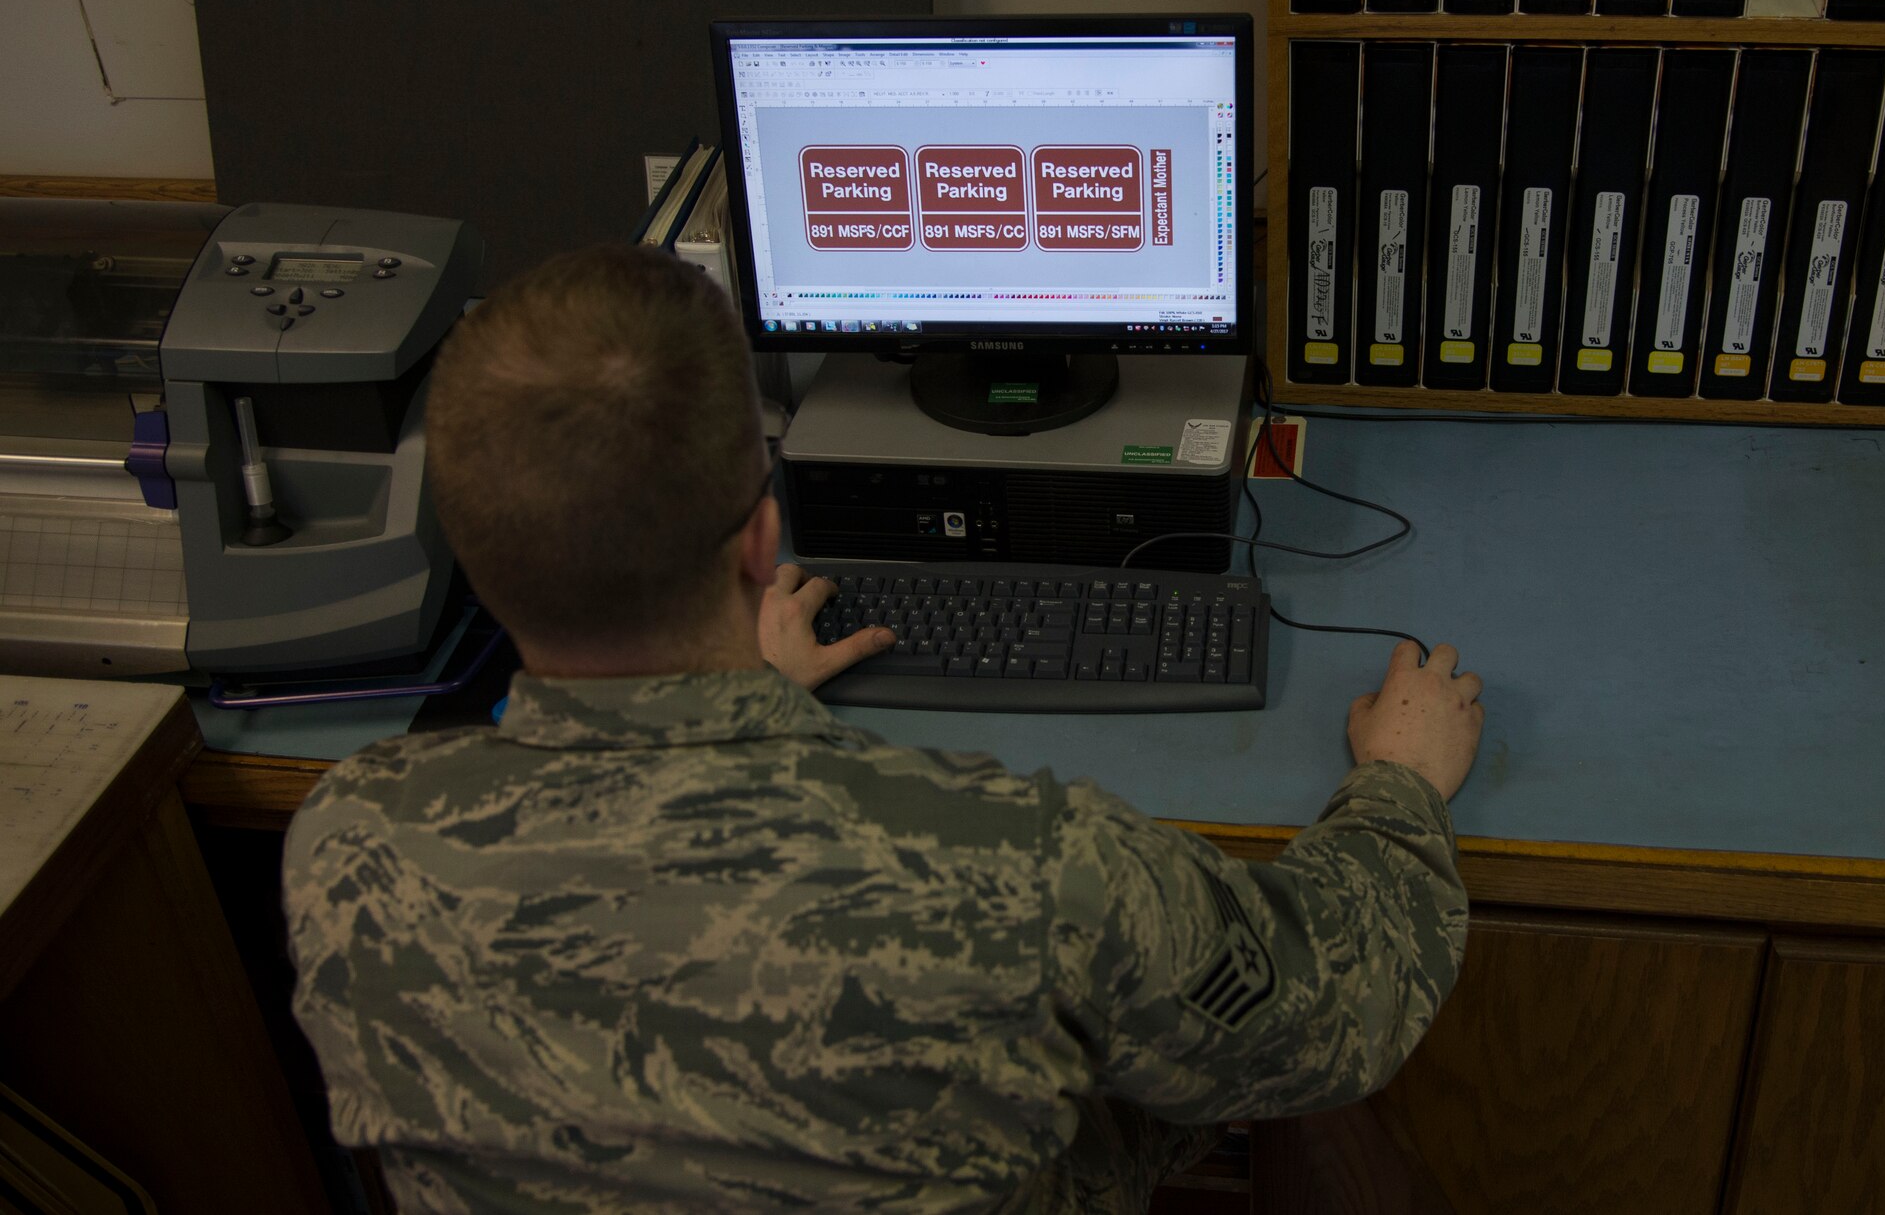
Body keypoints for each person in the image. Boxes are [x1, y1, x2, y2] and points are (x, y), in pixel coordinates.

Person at [283, 245, 1484, 1213]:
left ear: (470, 557)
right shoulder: (1024, 871)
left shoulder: (344, 847)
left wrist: (718, 694)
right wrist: (1398, 788)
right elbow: (1336, 1014)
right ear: (764, 538)